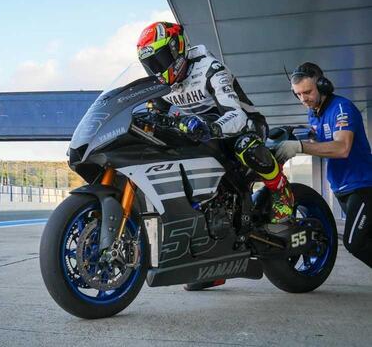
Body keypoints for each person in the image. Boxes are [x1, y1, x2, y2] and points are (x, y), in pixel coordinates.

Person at [137, 21, 294, 290]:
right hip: (203, 136)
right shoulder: (166, 86)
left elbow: (236, 113)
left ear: (178, 48)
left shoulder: (211, 69)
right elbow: (154, 113)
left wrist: (212, 126)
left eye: (161, 59)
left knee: (245, 145)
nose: (159, 68)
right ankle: (211, 259)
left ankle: (281, 192)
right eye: (151, 64)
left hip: (242, 126)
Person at [275, 62, 372, 268]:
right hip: (341, 189)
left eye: (308, 92)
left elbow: (341, 148)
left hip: (363, 186)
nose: (304, 99)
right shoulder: (315, 113)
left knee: (355, 243)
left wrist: (300, 147)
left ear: (323, 85)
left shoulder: (341, 108)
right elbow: (320, 144)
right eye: (298, 94)